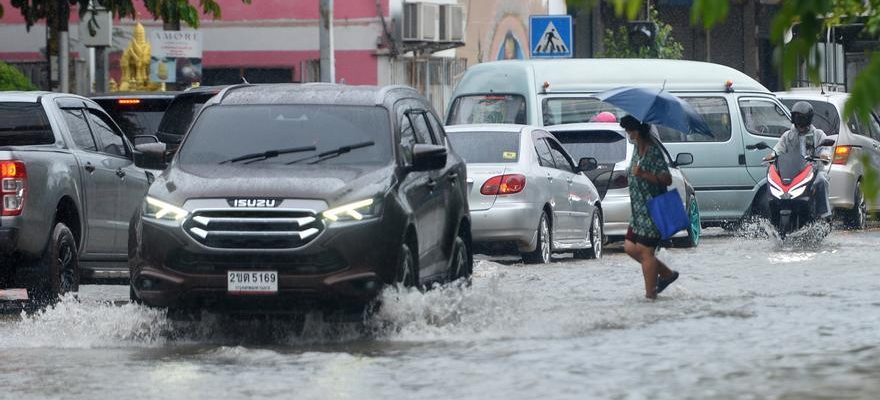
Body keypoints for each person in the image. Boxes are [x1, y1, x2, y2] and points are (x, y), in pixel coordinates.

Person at [620, 115, 679, 299]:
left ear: (637, 131)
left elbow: (667, 179)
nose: (628, 134)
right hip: (638, 211)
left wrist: (644, 174)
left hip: (651, 210)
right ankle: (667, 274)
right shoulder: (638, 149)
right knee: (630, 247)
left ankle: (650, 296)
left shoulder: (653, 151)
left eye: (629, 130)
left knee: (646, 252)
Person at [762, 101, 832, 219]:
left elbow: (825, 149)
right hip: (792, 173)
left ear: (808, 119)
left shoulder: (818, 134)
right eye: (796, 118)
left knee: (822, 180)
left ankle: (824, 214)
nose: (799, 122)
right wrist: (772, 155)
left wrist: (824, 155)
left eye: (802, 119)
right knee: (769, 180)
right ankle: (770, 216)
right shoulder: (788, 135)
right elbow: (778, 149)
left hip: (813, 171)